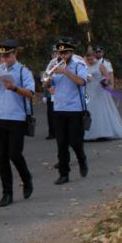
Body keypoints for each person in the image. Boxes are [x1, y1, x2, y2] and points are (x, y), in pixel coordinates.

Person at [0, 40, 34, 207]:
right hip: (1, 118)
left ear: (15, 54)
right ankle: (7, 193)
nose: (5, 58)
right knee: (2, 158)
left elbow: (30, 93)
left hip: (17, 118)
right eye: (2, 55)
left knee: (14, 154)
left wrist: (15, 88)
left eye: (8, 55)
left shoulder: (23, 71)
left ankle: (27, 179)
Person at [42, 39, 88, 185]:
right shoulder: (54, 65)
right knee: (61, 143)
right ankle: (64, 173)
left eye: (66, 52)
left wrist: (65, 71)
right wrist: (48, 80)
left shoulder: (78, 65)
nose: (63, 55)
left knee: (75, 141)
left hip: (75, 109)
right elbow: (45, 84)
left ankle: (82, 159)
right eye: (61, 52)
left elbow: (82, 82)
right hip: (59, 108)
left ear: (71, 53)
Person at [83, 51, 122, 140]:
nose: (90, 61)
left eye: (91, 59)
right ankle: (89, 132)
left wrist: (104, 82)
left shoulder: (100, 65)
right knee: (90, 110)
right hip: (89, 89)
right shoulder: (85, 66)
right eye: (88, 60)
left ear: (94, 57)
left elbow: (106, 76)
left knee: (100, 110)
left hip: (99, 90)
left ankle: (103, 132)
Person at [43, 45, 58, 139]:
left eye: (57, 53)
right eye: (54, 53)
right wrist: (45, 94)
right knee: (51, 113)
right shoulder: (49, 65)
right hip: (50, 93)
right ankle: (51, 132)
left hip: (61, 93)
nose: (55, 55)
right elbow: (44, 79)